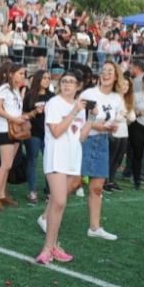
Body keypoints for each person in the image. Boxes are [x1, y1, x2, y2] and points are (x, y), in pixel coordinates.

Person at [36, 69, 90, 264]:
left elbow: (80, 137)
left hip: (72, 157)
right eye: (64, 81)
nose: (66, 84)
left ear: (78, 86)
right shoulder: (54, 103)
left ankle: (54, 246)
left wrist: (91, 119)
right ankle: (47, 248)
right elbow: (57, 131)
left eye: (71, 82)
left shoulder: (80, 107)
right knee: (59, 202)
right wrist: (74, 111)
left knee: (56, 203)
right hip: (56, 157)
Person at [77, 62, 124, 240]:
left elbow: (116, 120)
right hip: (85, 141)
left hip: (103, 141)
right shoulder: (89, 94)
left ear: (116, 76)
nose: (105, 74)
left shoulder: (116, 99)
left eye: (110, 71)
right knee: (73, 183)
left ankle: (94, 228)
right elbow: (82, 120)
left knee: (97, 188)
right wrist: (104, 126)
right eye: (103, 70)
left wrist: (112, 127)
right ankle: (46, 216)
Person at [0, 62, 29, 210]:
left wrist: (23, 117)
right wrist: (14, 119)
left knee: (9, 165)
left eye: (24, 73)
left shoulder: (16, 91)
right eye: (20, 73)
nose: (23, 76)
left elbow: (14, 111)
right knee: (5, 164)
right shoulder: (4, 89)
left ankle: (1, 195)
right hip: (4, 130)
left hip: (15, 130)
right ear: (11, 74)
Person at [23, 69, 53, 205]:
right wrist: (35, 111)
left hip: (49, 134)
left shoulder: (52, 97)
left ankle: (49, 191)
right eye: (44, 77)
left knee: (49, 162)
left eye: (48, 78)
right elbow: (23, 114)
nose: (47, 80)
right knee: (32, 161)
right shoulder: (29, 96)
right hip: (33, 133)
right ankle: (32, 190)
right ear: (38, 79)